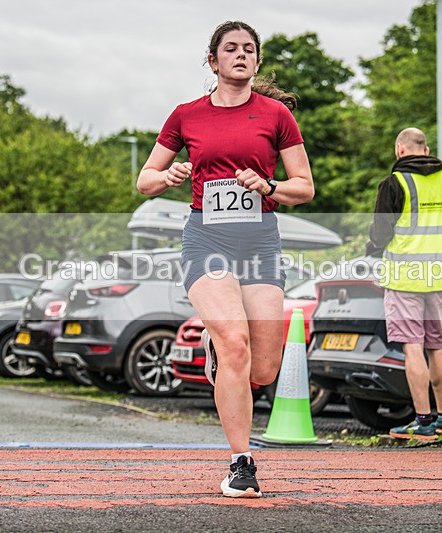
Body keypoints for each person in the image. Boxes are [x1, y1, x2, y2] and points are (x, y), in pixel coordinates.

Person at [137, 20, 313, 498]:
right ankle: (242, 462)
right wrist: (168, 174)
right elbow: (144, 180)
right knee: (236, 341)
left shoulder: (276, 115)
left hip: (260, 242)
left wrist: (269, 186)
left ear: (257, 61)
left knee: (263, 369)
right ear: (213, 61)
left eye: (249, 49)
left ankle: (220, 349)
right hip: (205, 240)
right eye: (230, 49)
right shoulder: (187, 115)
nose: (241, 55)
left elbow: (305, 187)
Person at [367, 127, 442, 441]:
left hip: (406, 276)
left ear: (399, 149)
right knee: (438, 347)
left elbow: (380, 234)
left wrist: (373, 249)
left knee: (413, 348)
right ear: (426, 149)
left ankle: (423, 421)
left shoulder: (395, 183)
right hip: (440, 275)